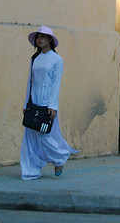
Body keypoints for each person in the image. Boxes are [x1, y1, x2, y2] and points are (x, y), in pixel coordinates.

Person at [20, 26, 79, 180]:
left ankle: (60, 157)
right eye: (38, 37)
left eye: (43, 37)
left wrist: (53, 106)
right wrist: (26, 103)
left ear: (50, 40)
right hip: (34, 100)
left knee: (44, 134)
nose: (40, 39)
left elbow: (56, 84)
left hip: (47, 100)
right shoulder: (34, 59)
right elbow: (29, 82)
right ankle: (30, 170)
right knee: (30, 136)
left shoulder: (57, 60)